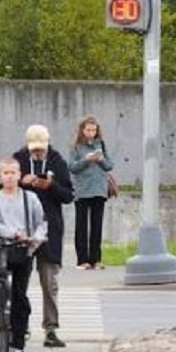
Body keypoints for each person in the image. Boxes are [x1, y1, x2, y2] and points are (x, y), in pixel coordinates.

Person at [0, 156, 46, 352]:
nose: (9, 176)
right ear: (0, 176)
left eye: (13, 172)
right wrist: (12, 233)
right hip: (2, 248)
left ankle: (18, 346)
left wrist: (34, 240)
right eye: (5, 173)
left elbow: (41, 223)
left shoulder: (30, 198)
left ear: (19, 175)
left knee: (20, 297)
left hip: (23, 251)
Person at [14, 124, 74, 348]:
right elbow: (2, 185)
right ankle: (20, 325)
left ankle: (51, 329)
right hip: (22, 228)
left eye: (41, 149)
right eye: (34, 149)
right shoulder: (17, 159)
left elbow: (69, 195)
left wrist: (51, 185)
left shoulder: (58, 161)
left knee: (49, 282)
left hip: (49, 228)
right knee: (20, 280)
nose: (38, 153)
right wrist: (22, 182)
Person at [69, 116, 115, 270]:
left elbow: (109, 165)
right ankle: (82, 260)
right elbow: (72, 167)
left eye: (94, 130)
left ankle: (96, 259)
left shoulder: (101, 144)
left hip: (99, 190)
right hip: (82, 190)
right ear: (82, 130)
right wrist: (86, 160)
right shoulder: (76, 146)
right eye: (88, 129)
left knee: (97, 226)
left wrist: (100, 159)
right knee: (81, 226)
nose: (91, 133)